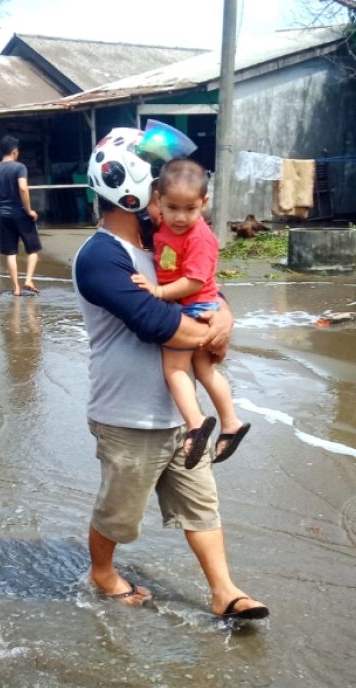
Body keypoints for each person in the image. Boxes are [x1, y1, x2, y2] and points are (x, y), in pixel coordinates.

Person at [72, 127, 269, 622]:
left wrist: (223, 312)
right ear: (133, 186)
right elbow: (159, 324)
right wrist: (212, 326)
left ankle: (225, 590)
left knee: (201, 505)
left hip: (182, 416)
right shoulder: (100, 256)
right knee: (118, 514)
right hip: (128, 413)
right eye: (158, 185)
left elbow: (198, 289)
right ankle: (102, 572)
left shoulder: (157, 241)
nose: (165, 200)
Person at [130, 159, 249, 468]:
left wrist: (158, 292)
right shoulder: (164, 226)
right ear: (158, 201)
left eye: (190, 209)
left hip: (192, 308)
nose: (181, 217)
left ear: (203, 203)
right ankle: (231, 424)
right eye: (173, 208)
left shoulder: (199, 238)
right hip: (196, 306)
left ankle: (195, 425)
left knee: (175, 370)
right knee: (205, 370)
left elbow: (194, 281)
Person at [0, 135, 41, 296]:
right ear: (15, 151)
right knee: (33, 249)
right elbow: (23, 188)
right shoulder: (19, 167)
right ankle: (28, 280)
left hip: (4, 215)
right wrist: (29, 210)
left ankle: (16, 288)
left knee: (11, 252)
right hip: (20, 213)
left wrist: (2, 206)